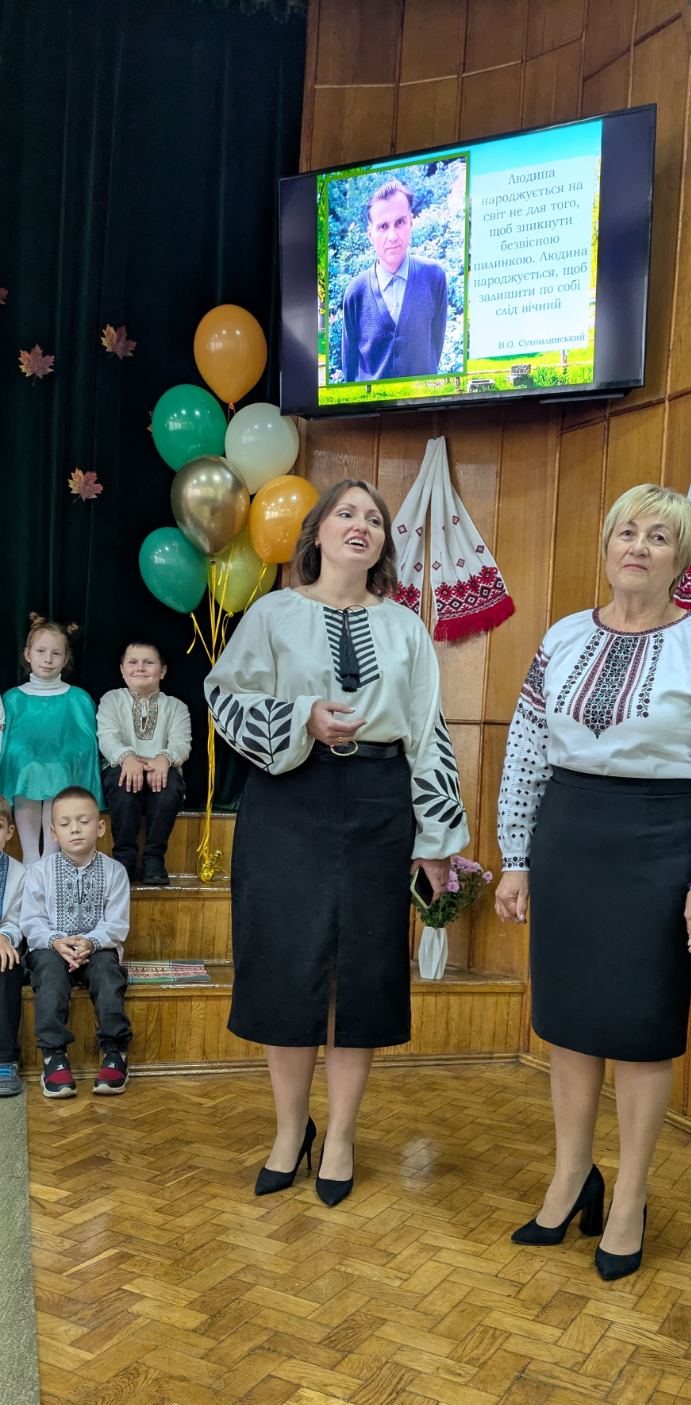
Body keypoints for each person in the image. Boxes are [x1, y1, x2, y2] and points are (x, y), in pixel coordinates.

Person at [495, 484, 691, 1281]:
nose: (638, 547)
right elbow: (526, 750)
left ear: (681, 559)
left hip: (658, 845)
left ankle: (633, 1197)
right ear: (607, 545)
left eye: (659, 537)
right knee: (570, 1023)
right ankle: (572, 1177)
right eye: (627, 532)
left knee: (643, 1028)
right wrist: (516, 857)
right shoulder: (564, 635)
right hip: (569, 837)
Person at [205, 479, 468, 1205]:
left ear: (383, 543)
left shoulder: (406, 627)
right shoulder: (272, 613)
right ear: (316, 532)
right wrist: (301, 718)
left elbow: (428, 731)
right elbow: (224, 695)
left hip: (381, 801)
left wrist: (436, 837)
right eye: (346, 514)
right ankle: (290, 1131)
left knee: (363, 973)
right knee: (286, 965)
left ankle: (343, 1136)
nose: (361, 525)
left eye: (374, 519)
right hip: (289, 798)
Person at [21, 786, 132, 1098]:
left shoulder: (115, 872)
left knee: (108, 976)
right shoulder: (39, 872)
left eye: (83, 821)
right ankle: (54, 1056)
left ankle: (115, 1051)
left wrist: (91, 942)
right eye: (65, 823)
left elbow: (117, 923)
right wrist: (56, 941)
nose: (75, 829)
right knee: (49, 975)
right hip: (51, 949)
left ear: (100, 827)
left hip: (98, 949)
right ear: (53, 833)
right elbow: (32, 921)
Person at [0, 615, 103, 865]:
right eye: (41, 651)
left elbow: (86, 742)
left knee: (55, 769)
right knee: (29, 768)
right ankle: (30, 855)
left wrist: (63, 755)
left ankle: (50, 855)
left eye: (56, 653)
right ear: (27, 654)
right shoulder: (12, 698)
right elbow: (8, 740)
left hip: (63, 768)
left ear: (66, 659)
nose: (48, 659)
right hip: (24, 766)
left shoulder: (78, 698)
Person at [97, 641, 191, 884]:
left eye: (148, 662)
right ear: (122, 670)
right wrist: (127, 758)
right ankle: (124, 860)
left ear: (163, 671)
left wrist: (164, 758)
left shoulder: (176, 706)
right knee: (123, 786)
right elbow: (107, 737)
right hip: (122, 766)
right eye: (133, 662)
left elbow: (182, 743)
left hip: (162, 769)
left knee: (168, 788)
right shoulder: (111, 700)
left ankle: (154, 859)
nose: (140, 667)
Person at [340, 179, 448, 383]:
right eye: (383, 226)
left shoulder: (434, 277)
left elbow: (436, 345)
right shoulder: (355, 292)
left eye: (400, 223)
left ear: (411, 222)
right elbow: (350, 367)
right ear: (370, 234)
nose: (392, 236)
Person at [0, 796, 26, 1098]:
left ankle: (4, 1059)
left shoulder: (18, 873)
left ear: (9, 832)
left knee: (8, 962)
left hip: (1, 943)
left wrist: (4, 938)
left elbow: (16, 919)